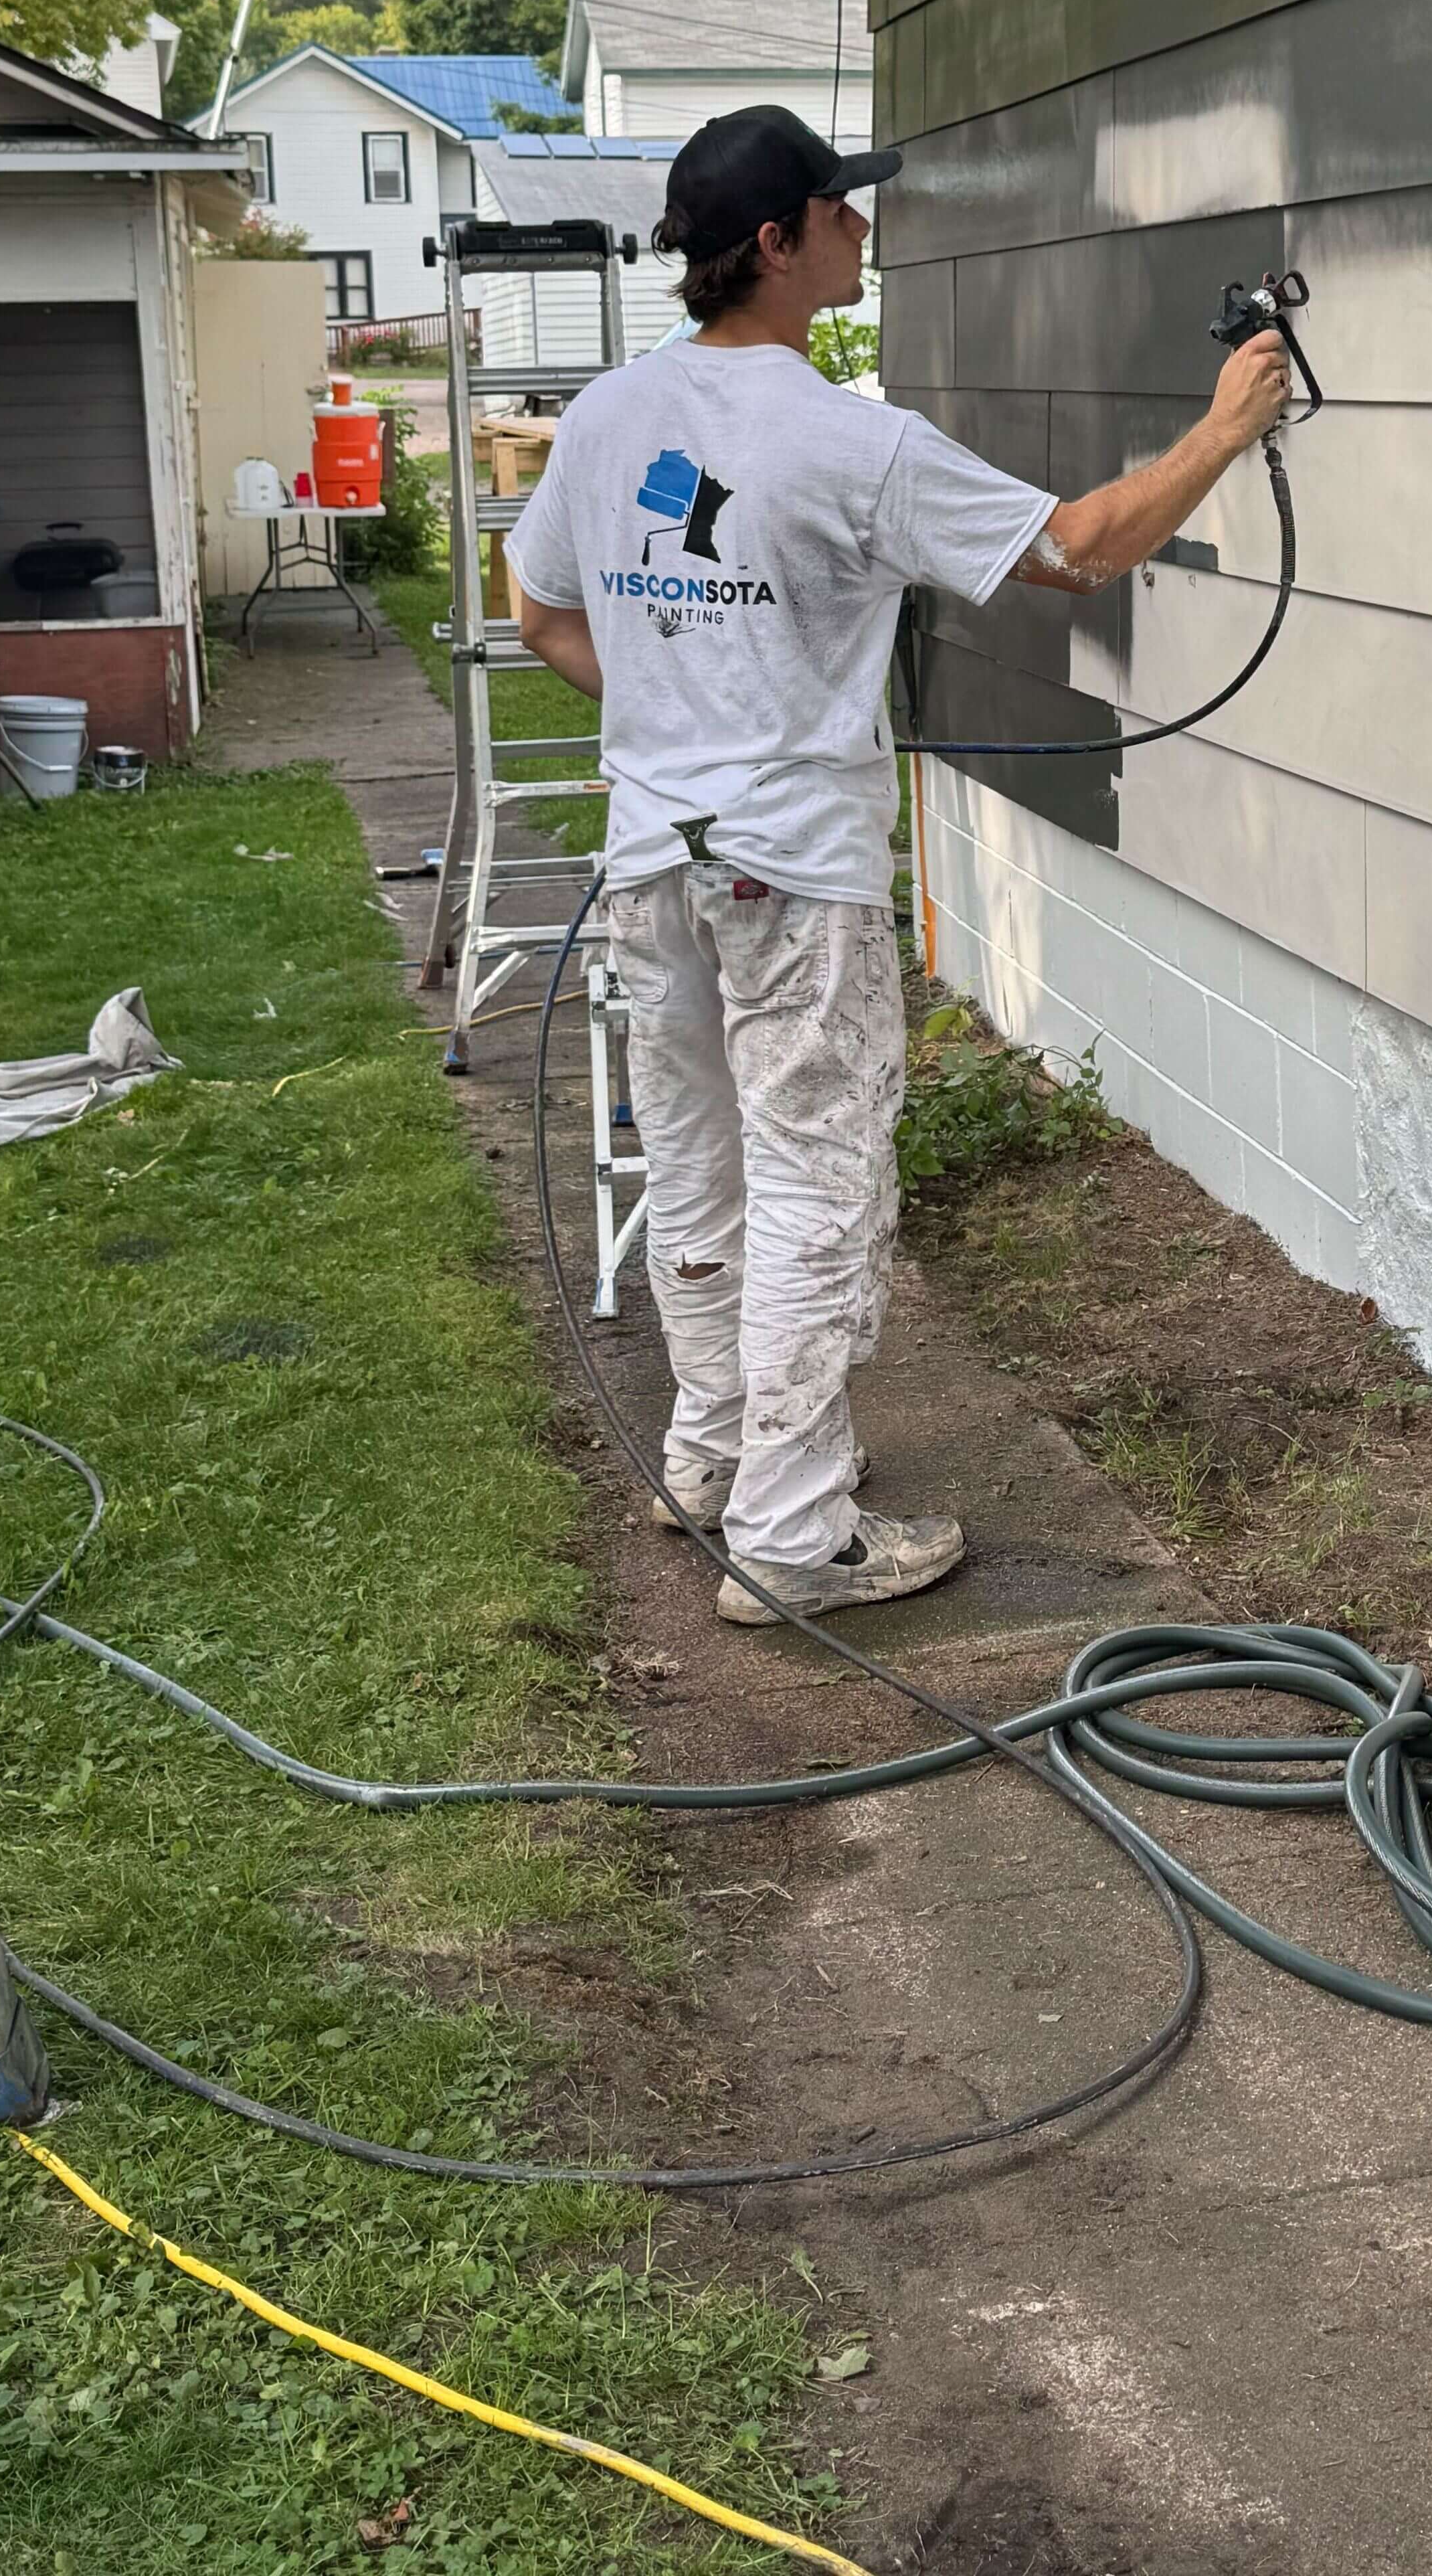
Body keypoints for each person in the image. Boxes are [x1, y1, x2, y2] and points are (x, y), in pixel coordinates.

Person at [505, 102, 1291, 1625]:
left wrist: (680, 715)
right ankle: (792, 1537)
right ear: (778, 242)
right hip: (790, 878)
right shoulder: (847, 442)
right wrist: (1223, 428)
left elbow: (538, 610)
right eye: (840, 209)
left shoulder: (608, 417)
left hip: (650, 868)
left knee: (697, 1168)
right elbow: (1080, 549)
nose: (864, 227)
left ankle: (711, 1462)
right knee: (814, 1182)